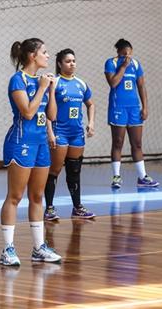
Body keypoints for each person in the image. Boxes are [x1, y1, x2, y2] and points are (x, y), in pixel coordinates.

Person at [0, 38, 62, 266]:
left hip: (40, 143)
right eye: (44, 52)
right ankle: (7, 250)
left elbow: (52, 116)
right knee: (15, 197)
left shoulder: (42, 81)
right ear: (32, 56)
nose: (48, 55)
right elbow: (27, 112)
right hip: (21, 141)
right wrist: (43, 88)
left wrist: (51, 90)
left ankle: (39, 248)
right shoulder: (18, 80)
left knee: (37, 196)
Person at [43, 48, 96, 221]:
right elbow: (46, 109)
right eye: (68, 61)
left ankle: (77, 207)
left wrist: (91, 123)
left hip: (76, 133)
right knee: (55, 170)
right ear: (60, 64)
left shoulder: (81, 83)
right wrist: (49, 131)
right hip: (60, 132)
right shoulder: (54, 82)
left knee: (74, 171)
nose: (72, 63)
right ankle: (49, 208)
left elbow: (90, 104)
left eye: (74, 60)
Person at [104, 39, 159, 189]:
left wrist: (145, 107)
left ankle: (142, 177)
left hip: (134, 108)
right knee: (118, 142)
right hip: (118, 108)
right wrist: (123, 66)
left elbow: (141, 86)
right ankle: (116, 177)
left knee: (137, 143)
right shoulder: (111, 63)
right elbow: (113, 83)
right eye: (124, 54)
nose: (127, 56)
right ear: (119, 52)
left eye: (129, 53)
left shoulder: (136, 64)